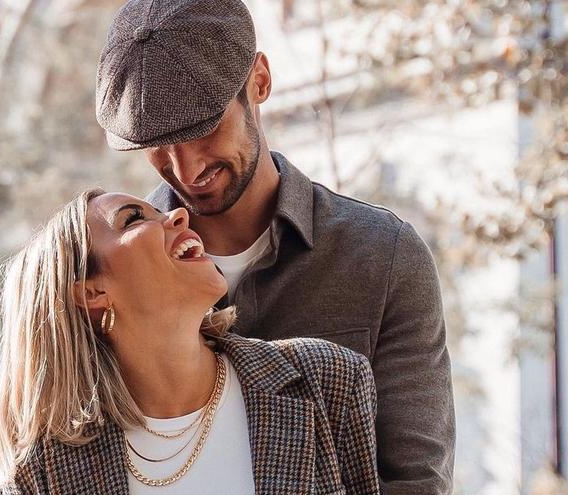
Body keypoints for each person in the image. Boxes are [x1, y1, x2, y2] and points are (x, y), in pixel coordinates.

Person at [94, 0, 455, 493]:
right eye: (157, 143)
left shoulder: (384, 257)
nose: (186, 170)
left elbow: (413, 481)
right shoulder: (105, 275)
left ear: (259, 81)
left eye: (204, 129)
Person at [0, 189, 379, 494]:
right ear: (91, 293)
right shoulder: (42, 474)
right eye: (134, 219)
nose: (178, 214)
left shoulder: (327, 380)